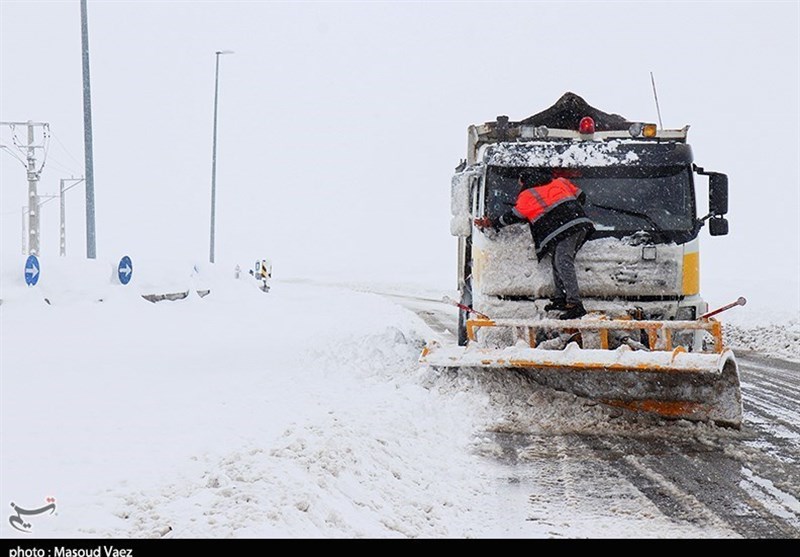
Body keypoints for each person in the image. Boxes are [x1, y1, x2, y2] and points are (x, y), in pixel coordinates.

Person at [474, 171, 595, 320]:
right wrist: (569, 210)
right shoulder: (560, 182)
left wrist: (492, 222)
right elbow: (581, 195)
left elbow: (513, 216)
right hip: (578, 224)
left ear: (524, 181)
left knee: (563, 261)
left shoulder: (528, 195)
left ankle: (575, 304)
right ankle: (560, 299)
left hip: (567, 228)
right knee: (557, 260)